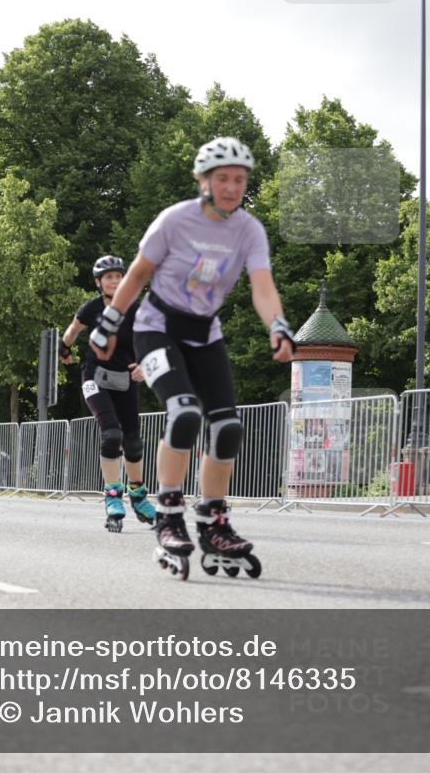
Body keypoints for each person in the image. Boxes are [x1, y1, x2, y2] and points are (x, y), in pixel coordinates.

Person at [90, 137, 295, 579]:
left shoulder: (249, 230)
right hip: (157, 329)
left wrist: (277, 325)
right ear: (204, 180)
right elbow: (139, 274)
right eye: (223, 178)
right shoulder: (175, 221)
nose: (232, 187)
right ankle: (167, 513)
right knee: (183, 414)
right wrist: (108, 322)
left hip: (206, 336)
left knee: (227, 428)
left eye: (239, 180)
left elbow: (262, 285)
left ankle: (213, 521)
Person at [60, 255, 156, 532]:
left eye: (118, 276)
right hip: (95, 377)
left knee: (134, 443)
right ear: (98, 282)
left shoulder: (135, 309)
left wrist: (144, 366)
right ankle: (113, 496)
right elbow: (72, 330)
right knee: (112, 434)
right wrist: (63, 349)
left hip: (124, 378)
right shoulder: (91, 307)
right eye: (109, 277)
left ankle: (138, 496)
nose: (114, 281)